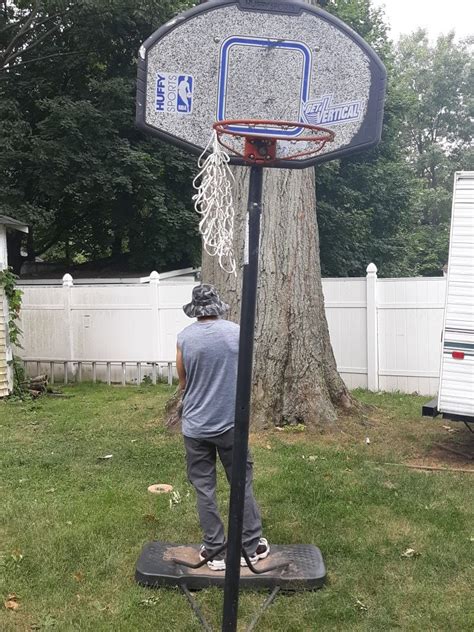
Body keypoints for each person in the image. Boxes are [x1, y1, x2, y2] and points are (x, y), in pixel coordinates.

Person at [176, 284, 269, 571]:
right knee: (241, 482)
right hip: (231, 424)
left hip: (195, 426)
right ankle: (249, 548)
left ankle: (214, 551)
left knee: (204, 488)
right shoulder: (236, 333)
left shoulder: (184, 338)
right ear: (217, 306)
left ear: (195, 310)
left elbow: (183, 381)